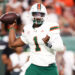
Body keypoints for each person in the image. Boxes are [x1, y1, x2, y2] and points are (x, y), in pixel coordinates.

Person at [8, 3, 64, 75]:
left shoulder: (51, 27)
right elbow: (12, 44)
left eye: (41, 14)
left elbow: (60, 47)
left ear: (45, 15)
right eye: (36, 14)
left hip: (49, 67)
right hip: (34, 67)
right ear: (31, 14)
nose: (38, 17)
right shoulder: (27, 29)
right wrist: (12, 27)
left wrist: (48, 43)